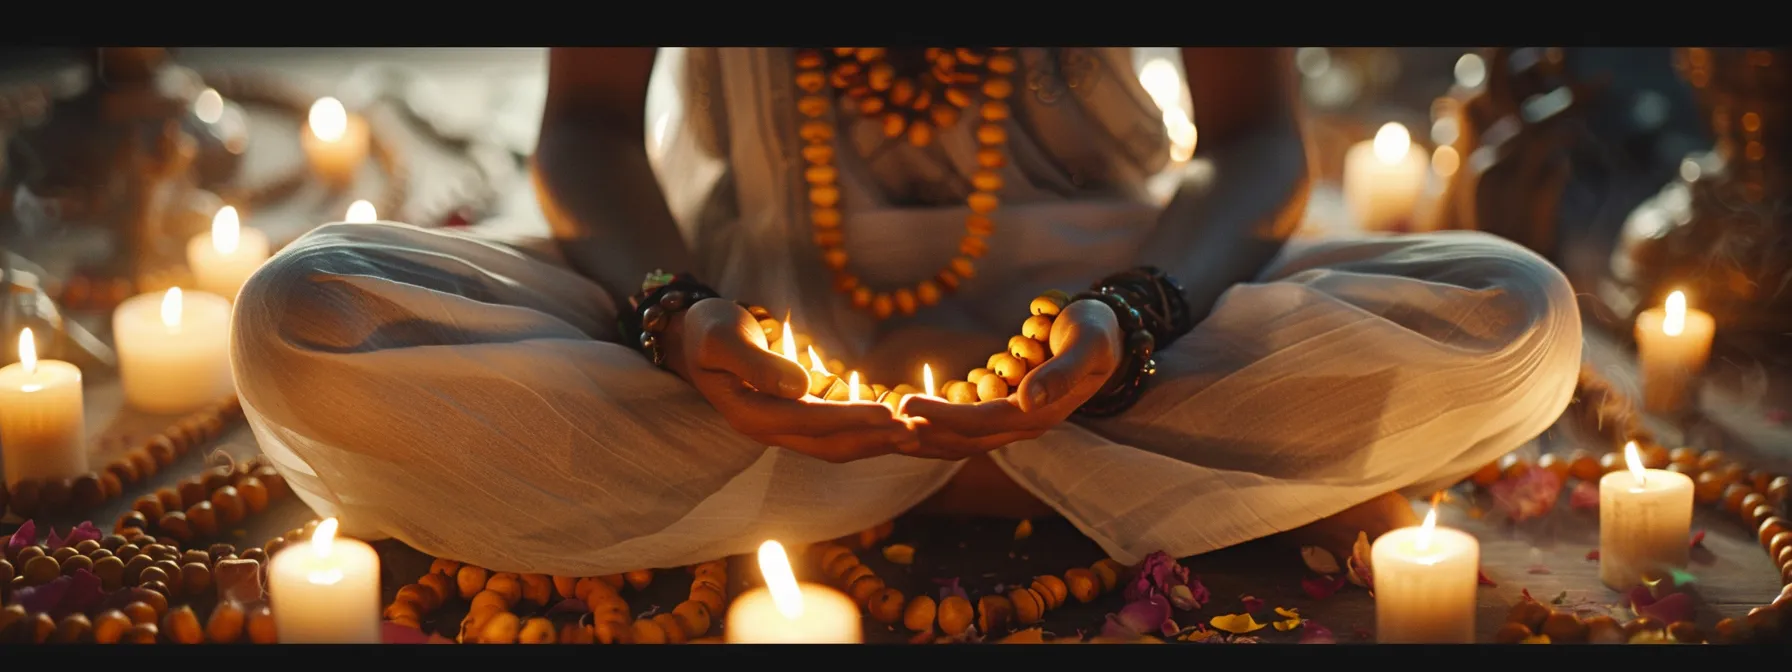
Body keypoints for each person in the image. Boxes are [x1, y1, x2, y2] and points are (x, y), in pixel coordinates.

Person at [230, 47, 1582, 577]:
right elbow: (584, 128)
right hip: (750, 311)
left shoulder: (1133, 319)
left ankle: (809, 483)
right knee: (310, 311)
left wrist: (1136, 316)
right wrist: (677, 320)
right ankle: (1035, 483)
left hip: (1120, 326)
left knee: (1514, 309)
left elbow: (1255, 144)